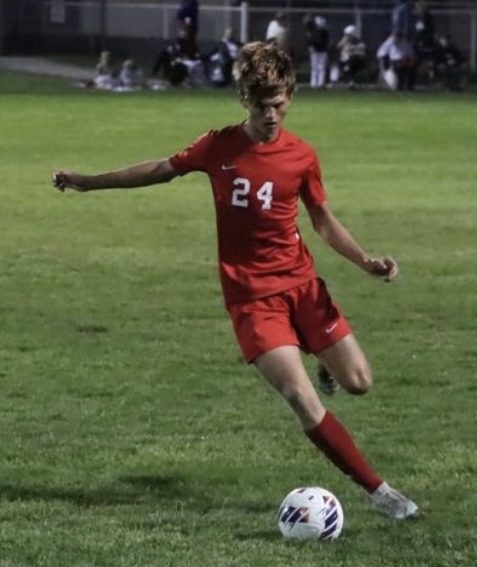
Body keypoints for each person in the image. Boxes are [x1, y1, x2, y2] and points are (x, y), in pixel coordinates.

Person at [52, 41, 418, 520]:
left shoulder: (302, 156)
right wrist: (87, 181)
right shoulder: (217, 146)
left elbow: (323, 221)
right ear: (244, 99)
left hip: (303, 286)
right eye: (262, 105)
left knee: (361, 383)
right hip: (252, 300)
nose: (271, 114)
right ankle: (381, 492)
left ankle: (322, 356)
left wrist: (366, 261)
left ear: (290, 97)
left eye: (279, 104)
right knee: (302, 401)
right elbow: (162, 169)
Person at [303, 14, 330, 89]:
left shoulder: (324, 32)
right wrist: (310, 47)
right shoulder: (311, 31)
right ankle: (314, 84)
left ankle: (320, 83)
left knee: (321, 67)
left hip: (322, 51)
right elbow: (309, 41)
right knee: (314, 67)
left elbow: (326, 41)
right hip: (315, 51)